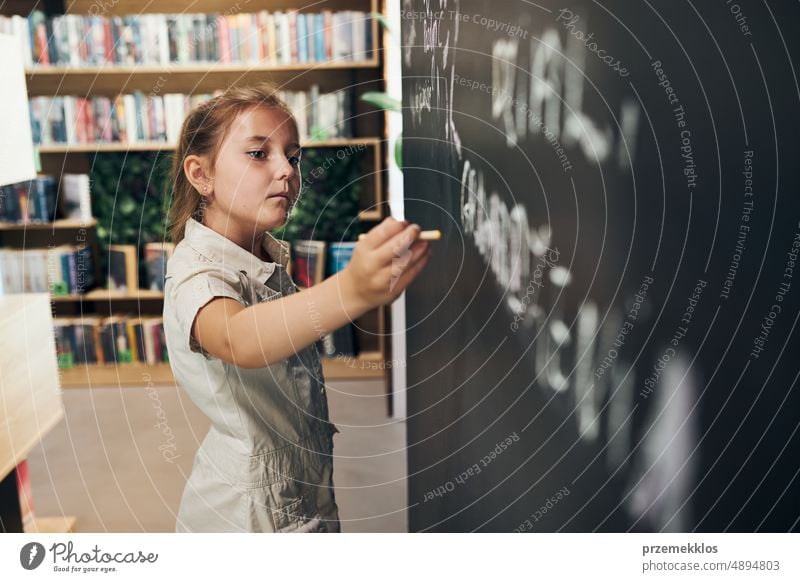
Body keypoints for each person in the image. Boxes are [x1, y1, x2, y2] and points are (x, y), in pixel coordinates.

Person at [162, 83, 431, 532]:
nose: (286, 170)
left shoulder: (266, 256)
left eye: (294, 156)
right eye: (257, 154)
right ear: (201, 175)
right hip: (246, 518)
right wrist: (353, 290)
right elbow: (238, 338)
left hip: (302, 485)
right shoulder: (196, 272)